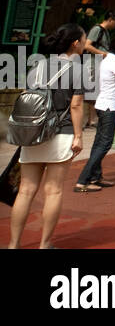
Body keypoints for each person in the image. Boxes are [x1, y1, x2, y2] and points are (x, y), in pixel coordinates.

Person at [7, 23, 86, 249]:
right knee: (54, 191)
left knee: (25, 190)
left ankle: (13, 244)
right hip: (61, 132)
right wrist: (79, 136)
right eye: (83, 39)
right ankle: (45, 244)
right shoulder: (77, 70)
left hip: (33, 133)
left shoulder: (38, 67)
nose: (84, 43)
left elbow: (26, 97)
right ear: (75, 43)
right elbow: (76, 105)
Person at [74, 30, 115, 193]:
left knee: (99, 143)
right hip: (108, 107)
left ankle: (96, 177)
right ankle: (82, 180)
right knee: (105, 144)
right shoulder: (114, 61)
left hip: (103, 105)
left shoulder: (108, 58)